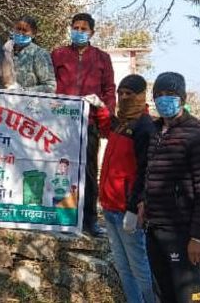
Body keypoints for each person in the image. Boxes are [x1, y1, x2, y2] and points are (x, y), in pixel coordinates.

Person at [143, 72, 200, 303]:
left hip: (183, 233)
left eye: (171, 94)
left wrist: (199, 237)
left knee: (190, 295)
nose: (164, 99)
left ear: (183, 98)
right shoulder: (155, 133)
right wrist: (141, 203)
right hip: (155, 229)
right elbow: (149, 174)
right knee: (164, 295)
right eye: (159, 95)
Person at [85, 75, 155, 303]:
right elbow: (108, 126)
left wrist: (134, 209)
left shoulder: (145, 127)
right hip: (110, 208)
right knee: (124, 268)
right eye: (121, 94)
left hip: (127, 211)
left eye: (129, 94)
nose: (124, 98)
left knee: (141, 269)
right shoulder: (123, 122)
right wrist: (100, 108)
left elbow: (146, 172)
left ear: (141, 95)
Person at [51, 13, 115, 237]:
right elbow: (50, 84)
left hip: (89, 122)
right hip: (61, 123)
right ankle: (63, 217)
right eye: (75, 27)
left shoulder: (101, 58)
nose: (78, 31)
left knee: (88, 171)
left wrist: (106, 114)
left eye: (83, 28)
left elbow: (109, 90)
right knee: (62, 170)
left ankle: (89, 220)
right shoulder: (58, 54)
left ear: (92, 33)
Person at [7, 16, 56, 92]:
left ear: (33, 34)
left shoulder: (39, 54)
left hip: (30, 102)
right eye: (18, 29)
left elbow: (50, 86)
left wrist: (23, 91)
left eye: (25, 30)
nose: (20, 33)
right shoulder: (6, 51)